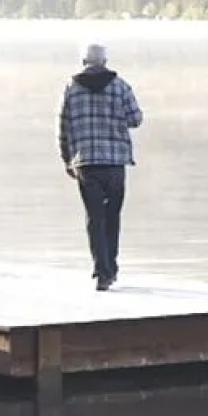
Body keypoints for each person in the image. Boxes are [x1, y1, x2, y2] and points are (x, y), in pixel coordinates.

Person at [58, 43, 143, 290]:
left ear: (83, 62)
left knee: (94, 218)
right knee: (112, 217)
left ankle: (102, 271)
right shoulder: (120, 87)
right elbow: (136, 119)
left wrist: (67, 159)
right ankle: (111, 267)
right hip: (115, 162)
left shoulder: (71, 89)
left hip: (85, 162)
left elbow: (64, 127)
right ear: (105, 61)